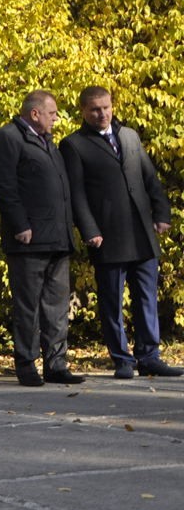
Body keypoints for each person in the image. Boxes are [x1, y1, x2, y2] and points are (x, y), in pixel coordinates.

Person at [59, 86, 182, 379]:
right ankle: (122, 360)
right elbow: (76, 195)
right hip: (107, 235)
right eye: (94, 109)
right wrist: (89, 229)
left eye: (106, 107)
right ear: (83, 111)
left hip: (141, 231)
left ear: (112, 106)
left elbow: (149, 176)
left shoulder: (129, 135)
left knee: (146, 299)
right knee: (112, 302)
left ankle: (150, 357)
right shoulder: (73, 144)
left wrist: (162, 213)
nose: (102, 114)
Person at [0, 90, 84, 386]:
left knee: (57, 306)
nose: (57, 118)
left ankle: (56, 364)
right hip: (28, 238)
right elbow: (2, 184)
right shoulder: (8, 137)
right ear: (35, 114)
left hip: (57, 237)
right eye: (52, 113)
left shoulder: (48, 141)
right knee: (28, 306)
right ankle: (27, 364)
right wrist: (19, 224)